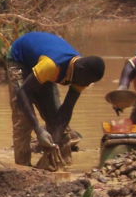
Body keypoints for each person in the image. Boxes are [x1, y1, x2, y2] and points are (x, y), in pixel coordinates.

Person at [7, 32, 105, 167]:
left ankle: (63, 165)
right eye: (88, 82)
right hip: (20, 59)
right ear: (80, 70)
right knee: (23, 120)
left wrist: (54, 142)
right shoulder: (52, 66)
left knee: (56, 119)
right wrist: (39, 130)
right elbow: (22, 92)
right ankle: (22, 169)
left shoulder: (82, 73)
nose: (86, 85)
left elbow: (65, 111)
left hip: (41, 63)